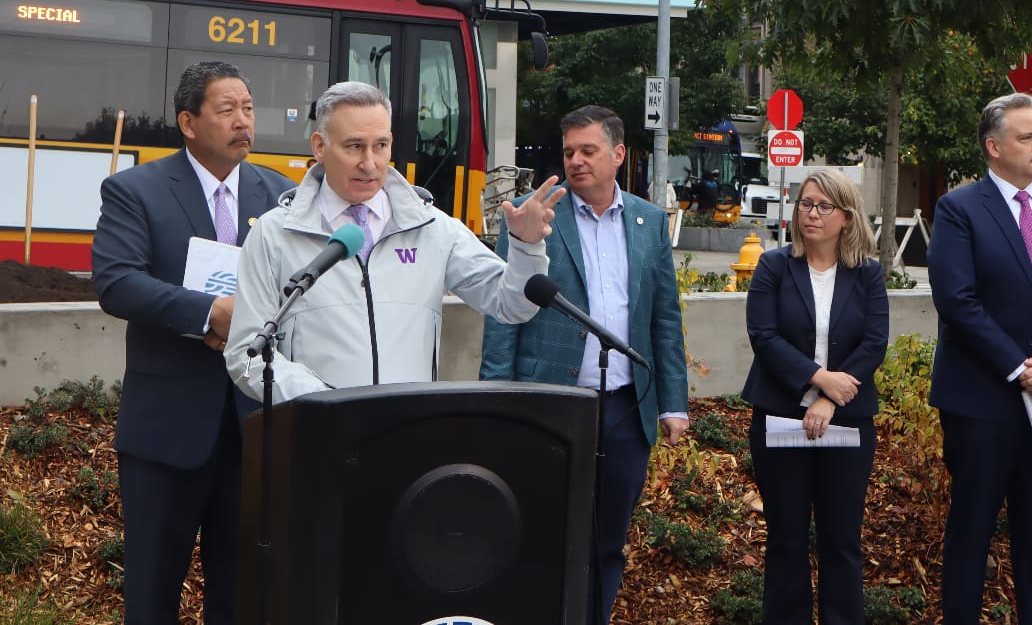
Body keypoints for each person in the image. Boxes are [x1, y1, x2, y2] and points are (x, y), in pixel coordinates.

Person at [91, 61, 294, 625]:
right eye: (227, 110)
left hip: (254, 428)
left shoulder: (283, 196)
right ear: (188, 122)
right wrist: (209, 313)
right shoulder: (136, 189)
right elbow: (117, 281)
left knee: (242, 592)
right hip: (167, 430)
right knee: (153, 591)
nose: (243, 121)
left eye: (248, 108)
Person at [479, 105, 689, 623]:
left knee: (608, 541)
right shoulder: (532, 214)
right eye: (569, 151)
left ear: (618, 154)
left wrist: (673, 404)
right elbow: (502, 317)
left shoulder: (649, 222)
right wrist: (498, 401)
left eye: (588, 150)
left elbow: (664, 317)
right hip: (549, 404)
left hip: (625, 409)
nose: (576, 160)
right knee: (544, 534)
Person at [225, 80, 563, 402]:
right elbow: (246, 353)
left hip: (408, 429)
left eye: (381, 146)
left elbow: (512, 305)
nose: (369, 163)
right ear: (320, 146)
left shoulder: (433, 227)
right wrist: (322, 403)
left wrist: (525, 245)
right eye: (354, 146)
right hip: (320, 430)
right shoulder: (275, 233)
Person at [927, 92, 1032, 625]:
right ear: (994, 147)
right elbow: (957, 301)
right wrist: (1024, 369)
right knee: (971, 531)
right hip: (981, 402)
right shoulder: (958, 209)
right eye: (1027, 138)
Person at [743, 168, 888, 625]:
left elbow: (874, 344)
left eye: (825, 206)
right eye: (806, 203)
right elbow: (764, 337)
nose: (812, 213)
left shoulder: (867, 274)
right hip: (780, 416)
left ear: (846, 217)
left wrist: (830, 399)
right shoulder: (774, 266)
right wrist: (820, 379)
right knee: (786, 538)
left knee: (841, 540)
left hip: (847, 420)